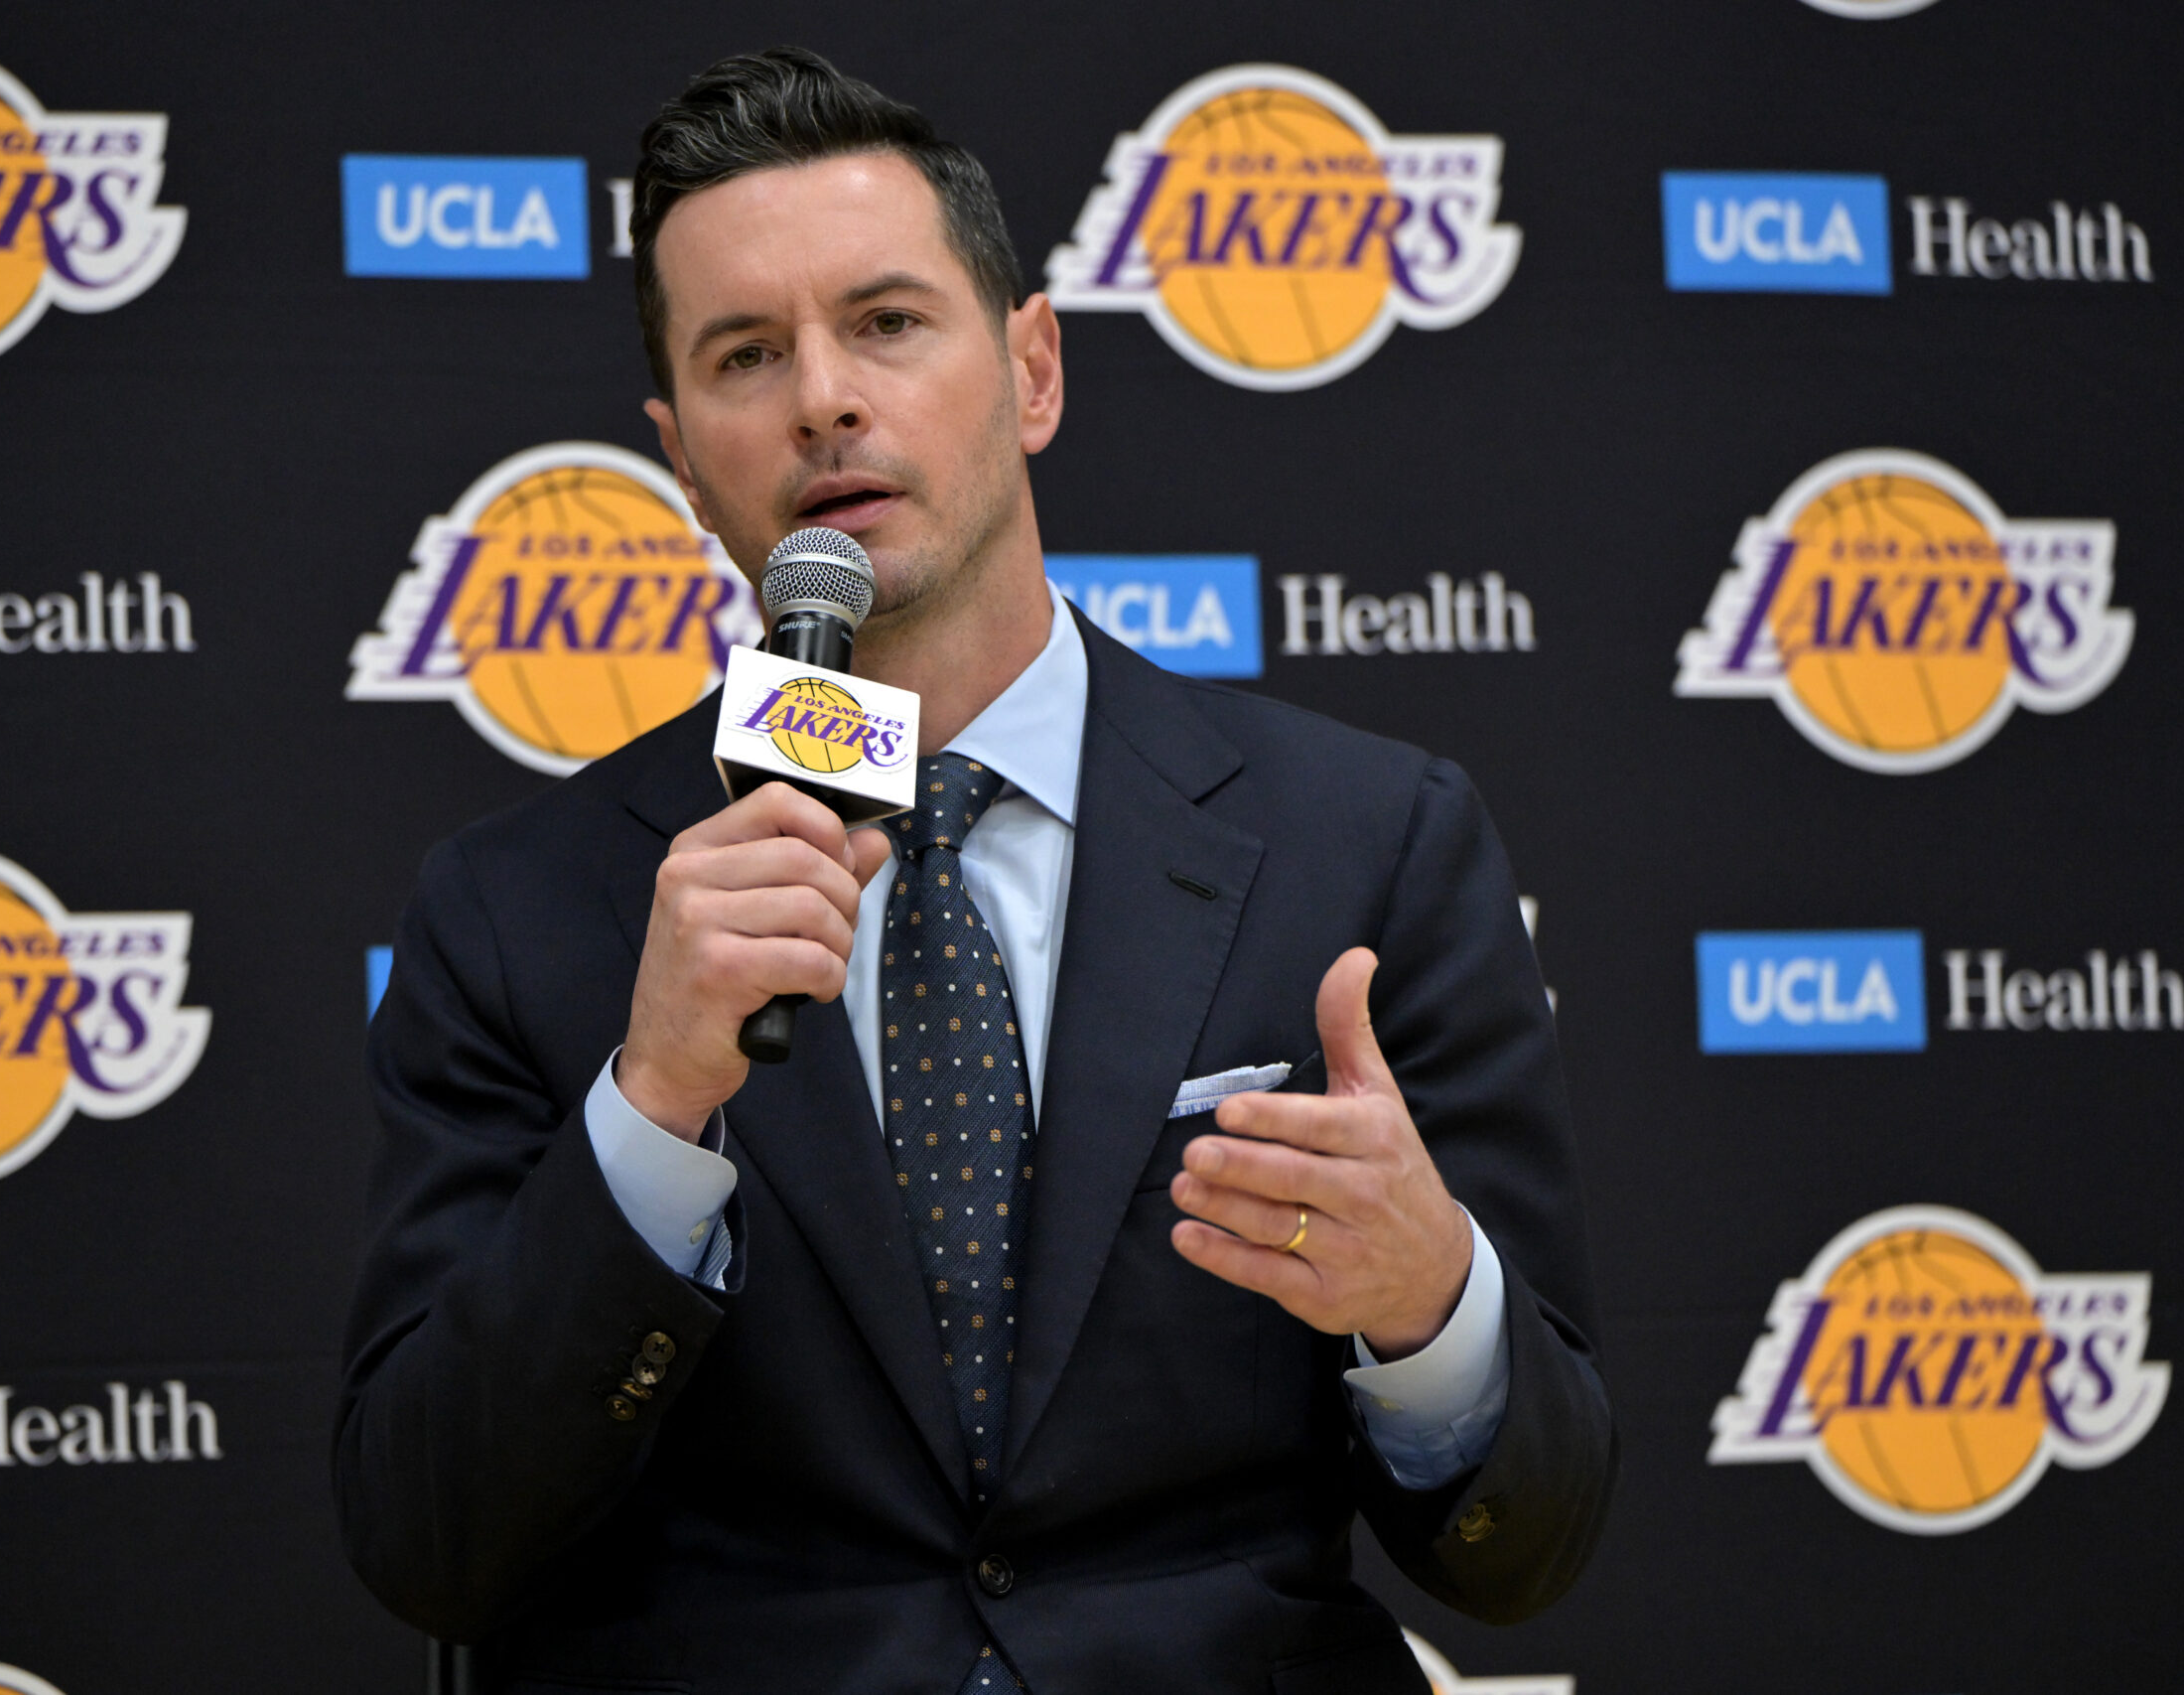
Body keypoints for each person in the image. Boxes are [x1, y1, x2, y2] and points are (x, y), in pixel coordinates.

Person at [336, 47, 1611, 1695]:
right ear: (678, 456)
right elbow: (428, 1543)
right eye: (745, 354)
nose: (821, 399)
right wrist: (651, 1106)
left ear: (1031, 372)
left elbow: (1541, 1545)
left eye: (885, 322)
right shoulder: (517, 911)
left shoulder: (1369, 842)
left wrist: (1430, 1307)